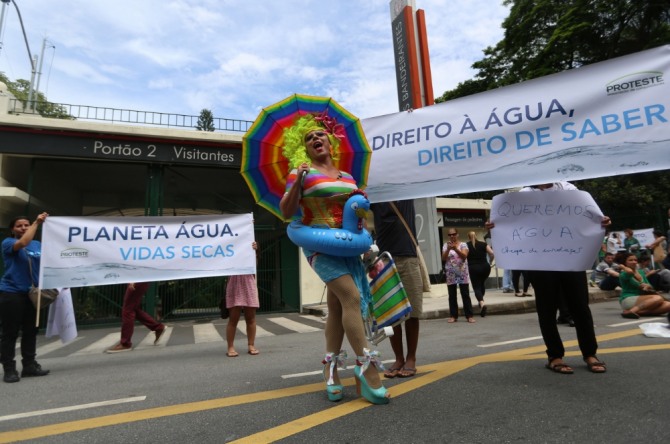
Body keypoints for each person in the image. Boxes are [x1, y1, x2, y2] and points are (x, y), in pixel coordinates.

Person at [279, 113, 389, 404]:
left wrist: (361, 212)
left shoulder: (348, 177)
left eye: (320, 134)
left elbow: (356, 217)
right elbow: (286, 212)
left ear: (330, 141)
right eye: (308, 137)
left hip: (349, 247)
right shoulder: (300, 172)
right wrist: (299, 180)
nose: (315, 138)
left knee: (338, 308)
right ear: (303, 147)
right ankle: (367, 370)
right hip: (319, 246)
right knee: (351, 298)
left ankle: (330, 371)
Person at [487, 182, 610, 374]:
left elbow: (588, 215)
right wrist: (495, 226)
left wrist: (601, 222)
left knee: (580, 306)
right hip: (540, 261)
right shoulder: (524, 194)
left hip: (571, 258)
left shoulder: (569, 189)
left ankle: (590, 353)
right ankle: (555, 356)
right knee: (547, 309)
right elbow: (509, 222)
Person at [370, 200, 423, 379]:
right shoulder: (375, 199)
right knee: (392, 314)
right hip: (384, 260)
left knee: (413, 312)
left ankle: (411, 358)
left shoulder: (407, 195)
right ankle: (399, 358)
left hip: (408, 258)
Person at [1, 213, 51, 383]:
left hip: (33, 294)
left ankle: (29, 365)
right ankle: (9, 368)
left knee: (31, 331)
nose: (23, 228)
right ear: (12, 230)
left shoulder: (37, 244)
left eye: (26, 225)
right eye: (19, 226)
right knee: (10, 333)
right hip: (12, 293)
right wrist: (36, 223)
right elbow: (23, 243)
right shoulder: (9, 243)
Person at [106, 282, 166, 353]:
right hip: (138, 280)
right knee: (133, 308)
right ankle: (158, 327)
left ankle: (125, 343)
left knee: (128, 310)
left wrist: (132, 281)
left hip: (136, 280)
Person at [225, 241, 260, 357]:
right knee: (233, 319)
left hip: (248, 282)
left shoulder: (251, 243)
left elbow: (254, 266)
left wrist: (255, 251)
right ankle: (230, 347)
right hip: (234, 282)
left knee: (251, 318)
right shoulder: (228, 247)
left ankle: (251, 345)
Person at [616, 252, 670, 318]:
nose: (634, 262)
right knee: (657, 298)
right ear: (625, 262)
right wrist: (623, 267)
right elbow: (630, 272)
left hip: (644, 300)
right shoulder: (624, 274)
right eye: (630, 260)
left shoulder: (641, 272)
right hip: (628, 299)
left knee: (668, 305)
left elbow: (650, 286)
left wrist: (648, 286)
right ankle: (632, 311)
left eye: (635, 260)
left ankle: (639, 312)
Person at [442, 228, 475, 323]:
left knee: (465, 294)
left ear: (457, 234)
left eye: (454, 234)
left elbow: (464, 256)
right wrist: (448, 249)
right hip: (450, 274)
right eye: (450, 235)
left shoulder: (463, 244)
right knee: (452, 295)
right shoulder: (445, 245)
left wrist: (455, 249)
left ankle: (469, 315)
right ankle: (453, 315)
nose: (452, 236)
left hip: (462, 273)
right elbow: (443, 258)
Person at [466, 231, 494, 316]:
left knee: (476, 287)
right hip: (485, 267)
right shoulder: (484, 244)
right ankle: (481, 299)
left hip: (473, 268)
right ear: (476, 236)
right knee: (481, 283)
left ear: (468, 237)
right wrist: (490, 261)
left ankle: (482, 304)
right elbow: (492, 253)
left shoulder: (466, 245)